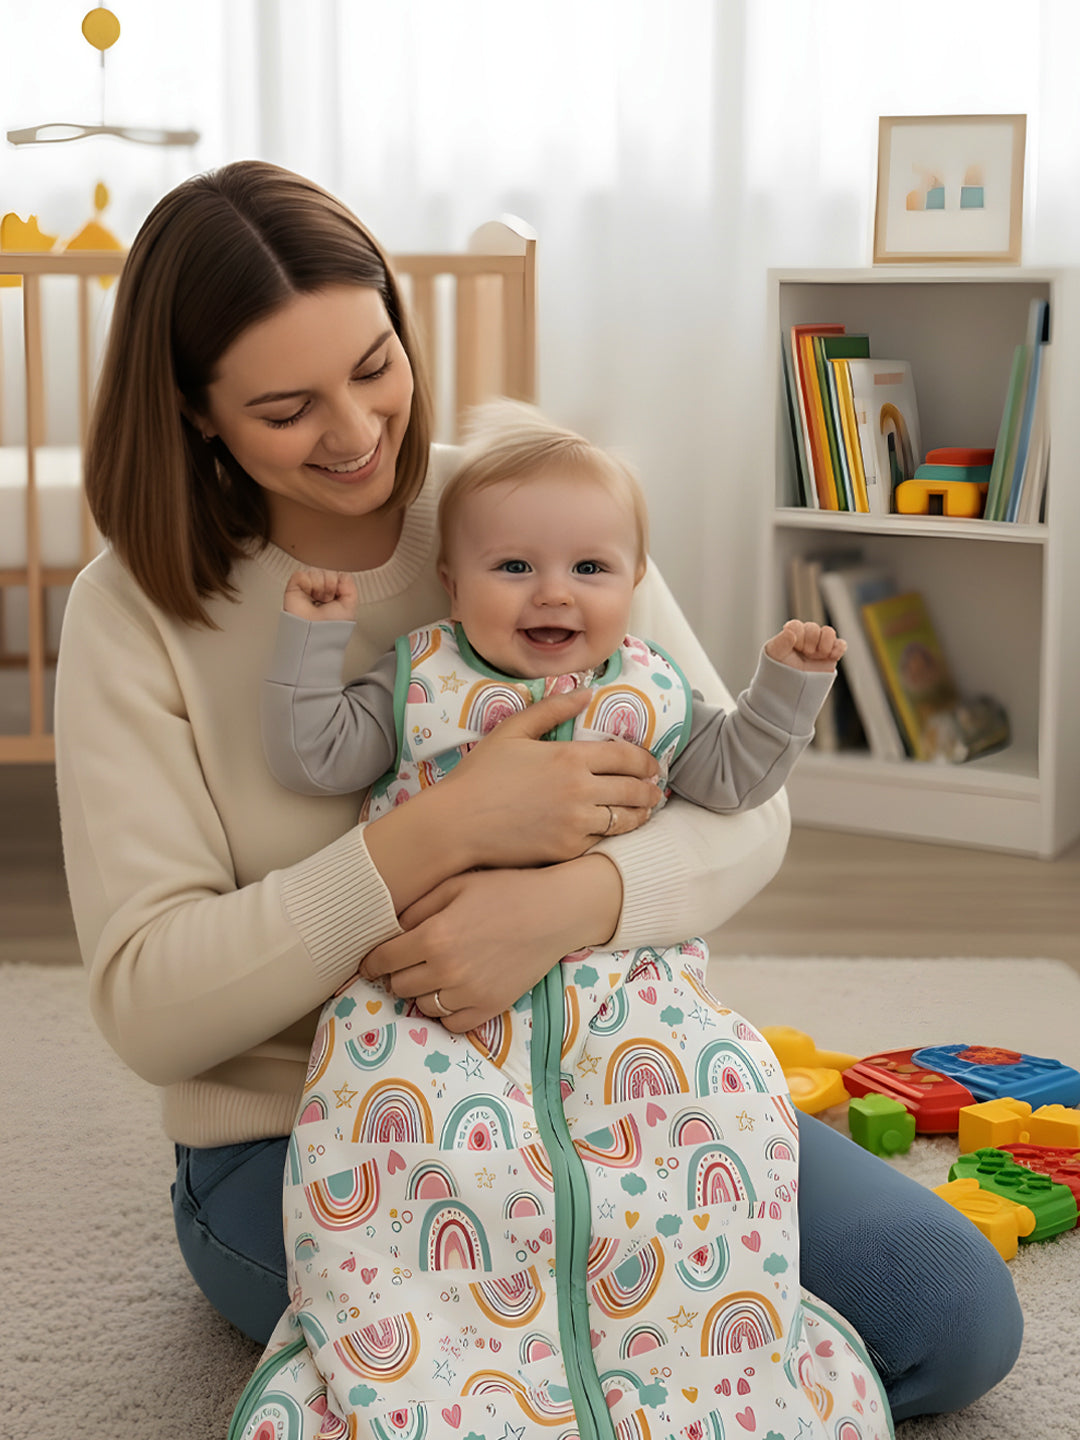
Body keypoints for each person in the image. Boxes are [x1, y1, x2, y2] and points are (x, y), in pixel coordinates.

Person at [52, 160, 1020, 1433]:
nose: (354, 432)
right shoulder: (132, 614)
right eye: (286, 408)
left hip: (619, 1082)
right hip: (315, 1125)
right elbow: (148, 1004)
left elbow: (741, 800)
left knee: (947, 1312)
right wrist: (442, 834)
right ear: (194, 412)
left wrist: (570, 905)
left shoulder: (528, 507)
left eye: (376, 366)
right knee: (508, 1376)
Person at [246, 402, 892, 1438]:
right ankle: (466, 1375)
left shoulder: (652, 688)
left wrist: (787, 690)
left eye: (591, 568)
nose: (554, 591)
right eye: (514, 568)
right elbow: (314, 754)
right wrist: (313, 640)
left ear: (635, 583)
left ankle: (690, 1374)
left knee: (728, 1109)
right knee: (430, 1171)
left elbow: (734, 781)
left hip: (628, 1005)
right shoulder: (421, 679)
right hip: (432, 1016)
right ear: (453, 581)